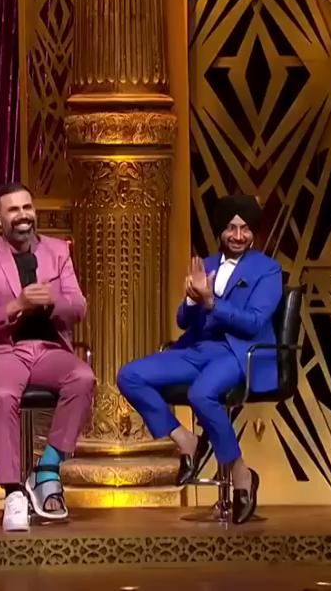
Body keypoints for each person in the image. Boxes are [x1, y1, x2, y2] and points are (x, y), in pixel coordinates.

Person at [116, 194, 285, 524]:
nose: (238, 235)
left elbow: (253, 322)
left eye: (245, 229)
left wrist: (211, 303)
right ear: (221, 231)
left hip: (238, 352)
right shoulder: (205, 264)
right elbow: (183, 321)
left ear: (254, 232)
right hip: (197, 349)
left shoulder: (268, 270)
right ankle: (186, 440)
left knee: (201, 394)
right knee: (129, 375)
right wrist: (193, 301)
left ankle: (241, 474)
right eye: (231, 228)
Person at [0, 182, 97, 532]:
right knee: (4, 394)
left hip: (47, 349)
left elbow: (78, 308)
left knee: (83, 378)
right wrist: (17, 305)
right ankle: (13, 490)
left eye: (27, 207)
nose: (23, 216)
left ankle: (47, 469)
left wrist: (51, 301)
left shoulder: (58, 251)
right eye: (14, 210)